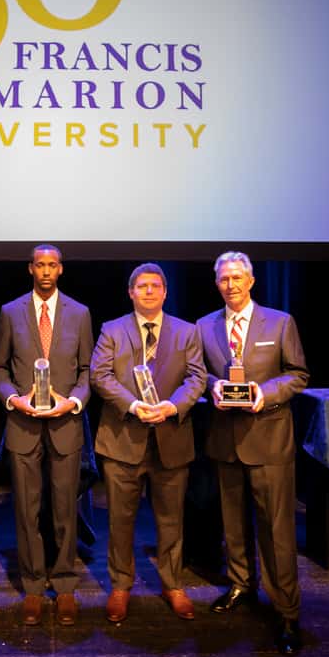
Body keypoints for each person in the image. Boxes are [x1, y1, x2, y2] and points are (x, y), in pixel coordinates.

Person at [195, 251, 309, 656]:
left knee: (277, 532)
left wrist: (266, 393)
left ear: (252, 280)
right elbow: (198, 372)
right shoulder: (203, 325)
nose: (231, 284)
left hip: (269, 439)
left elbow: (298, 375)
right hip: (225, 439)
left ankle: (287, 611)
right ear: (217, 283)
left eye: (238, 277)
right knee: (233, 525)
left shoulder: (280, 322)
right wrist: (211, 386)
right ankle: (242, 583)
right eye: (224, 278)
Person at [90, 263, 206, 622]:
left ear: (165, 292)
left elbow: (197, 377)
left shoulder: (187, 332)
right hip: (122, 440)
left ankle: (173, 584)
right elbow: (99, 375)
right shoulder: (112, 329)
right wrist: (133, 404)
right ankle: (121, 586)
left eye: (156, 286)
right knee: (120, 521)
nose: (149, 292)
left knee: (171, 520)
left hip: (170, 439)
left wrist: (172, 406)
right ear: (131, 292)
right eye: (142, 286)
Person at [0, 244, 94, 627]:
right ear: (30, 269)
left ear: (60, 270)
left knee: (66, 510)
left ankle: (65, 586)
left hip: (66, 425)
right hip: (24, 426)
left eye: (53, 265)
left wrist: (75, 402)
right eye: (40, 265)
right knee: (27, 511)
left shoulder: (80, 313)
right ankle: (33, 587)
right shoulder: (10, 312)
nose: (46, 271)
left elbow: (87, 371)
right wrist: (14, 399)